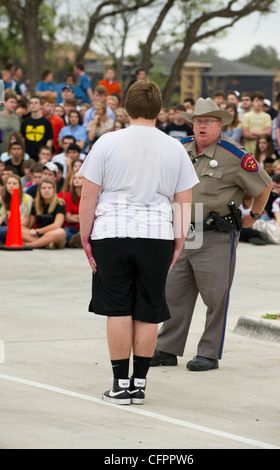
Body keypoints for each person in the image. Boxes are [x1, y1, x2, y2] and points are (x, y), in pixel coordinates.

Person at [78, 80, 198, 405]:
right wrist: (179, 242)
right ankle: (139, 384)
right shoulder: (175, 147)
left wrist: (85, 237)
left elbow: (88, 195)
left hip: (111, 231)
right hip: (157, 233)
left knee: (117, 307)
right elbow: (185, 201)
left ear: (127, 107)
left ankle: (119, 385)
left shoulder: (107, 142)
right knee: (148, 309)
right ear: (159, 110)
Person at [151, 97, 272, 371]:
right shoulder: (179, 149)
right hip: (183, 232)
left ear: (219, 125)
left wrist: (253, 216)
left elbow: (264, 186)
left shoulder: (234, 156)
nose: (201, 126)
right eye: (197, 121)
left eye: (207, 121)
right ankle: (167, 348)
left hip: (216, 234)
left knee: (215, 296)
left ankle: (208, 352)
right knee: (174, 292)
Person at [22, 178, 66, 249]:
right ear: (39, 191)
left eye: (49, 188)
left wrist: (38, 231)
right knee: (19, 229)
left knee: (61, 232)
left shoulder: (60, 203)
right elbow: (30, 225)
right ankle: (44, 243)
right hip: (38, 236)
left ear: (54, 190)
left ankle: (30, 245)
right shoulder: (35, 204)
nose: (46, 190)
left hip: (53, 235)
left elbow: (57, 225)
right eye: (43, 188)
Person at [0, 174, 33, 245]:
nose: (11, 186)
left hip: (20, 228)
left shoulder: (27, 199)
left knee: (3, 230)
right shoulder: (5, 199)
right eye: (9, 183)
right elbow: (2, 218)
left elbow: (26, 222)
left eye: (14, 183)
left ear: (20, 186)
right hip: (8, 228)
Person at [21, 95, 53, 161]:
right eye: (31, 103)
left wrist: (45, 155)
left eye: (36, 103)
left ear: (41, 105)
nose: (33, 105)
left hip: (42, 156)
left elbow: (49, 140)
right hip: (27, 155)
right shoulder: (25, 122)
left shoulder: (46, 122)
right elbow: (22, 139)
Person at [63, 171, 83, 248]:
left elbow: (90, 216)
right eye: (74, 178)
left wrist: (75, 216)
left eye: (80, 178)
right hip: (71, 227)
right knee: (65, 231)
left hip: (84, 227)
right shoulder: (68, 196)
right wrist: (81, 218)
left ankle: (77, 240)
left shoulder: (88, 196)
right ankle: (75, 240)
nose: (77, 180)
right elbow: (68, 218)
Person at [0, 90, 21, 155]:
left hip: (14, 156)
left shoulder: (18, 118)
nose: (14, 105)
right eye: (11, 102)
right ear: (4, 102)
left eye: (15, 103)